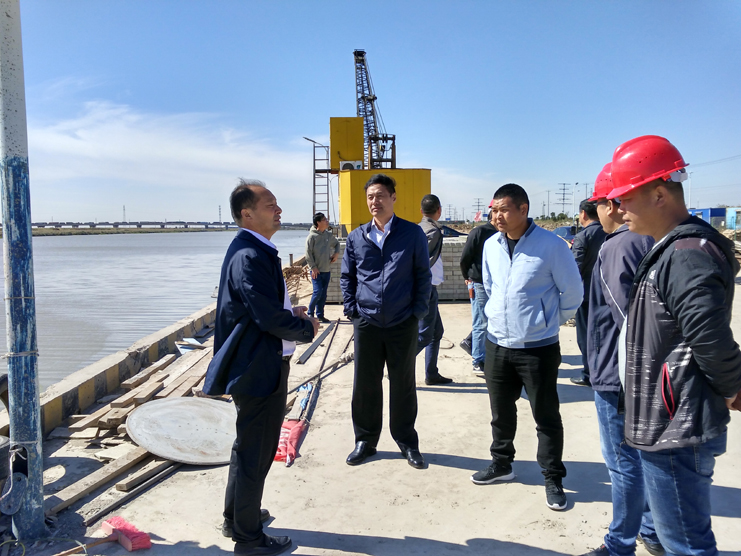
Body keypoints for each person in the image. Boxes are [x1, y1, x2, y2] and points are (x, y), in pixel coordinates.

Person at [607, 135, 741, 556]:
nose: (618, 208)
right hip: (668, 420)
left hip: (677, 426)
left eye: (626, 197)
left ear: (660, 194)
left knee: (685, 542)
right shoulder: (673, 247)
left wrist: (732, 387)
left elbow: (709, 336)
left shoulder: (685, 253)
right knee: (678, 538)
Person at [203, 179, 319, 556]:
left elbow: (263, 309)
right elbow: (266, 317)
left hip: (256, 362)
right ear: (247, 214)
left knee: (248, 447)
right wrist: (306, 327)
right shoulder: (250, 255)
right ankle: (249, 539)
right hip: (258, 368)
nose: (279, 210)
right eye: (270, 204)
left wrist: (290, 311)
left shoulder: (254, 249)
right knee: (256, 451)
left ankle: (237, 517)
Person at [471, 183, 582, 512]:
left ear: (523, 209)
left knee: (546, 416)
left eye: (504, 209)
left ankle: (552, 476)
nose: (497, 216)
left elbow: (573, 293)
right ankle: (501, 464)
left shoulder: (552, 246)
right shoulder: (490, 245)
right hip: (497, 343)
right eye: (494, 210)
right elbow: (489, 286)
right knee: (500, 412)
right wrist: (496, 318)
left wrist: (547, 321)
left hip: (538, 348)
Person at [579, 164, 662, 556]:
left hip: (618, 375)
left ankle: (619, 543)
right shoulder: (655, 238)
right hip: (651, 375)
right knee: (647, 459)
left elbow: (630, 320)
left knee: (623, 463)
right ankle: (651, 529)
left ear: (610, 205)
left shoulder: (617, 247)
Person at [341, 173, 431, 469]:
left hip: (402, 321)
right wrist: (352, 310)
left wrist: (417, 312)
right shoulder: (357, 237)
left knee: (403, 383)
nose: (374, 201)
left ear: (393, 197)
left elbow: (423, 275)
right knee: (365, 384)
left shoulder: (412, 233)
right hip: (366, 321)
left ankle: (406, 441)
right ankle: (365, 441)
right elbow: (348, 276)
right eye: (370, 197)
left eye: (380, 195)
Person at [417, 194, 453, 385]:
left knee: (436, 332)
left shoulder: (418, 228)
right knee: (424, 335)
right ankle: (396, 366)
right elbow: (422, 260)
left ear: (421, 211)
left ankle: (431, 374)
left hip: (428, 287)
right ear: (439, 210)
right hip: (426, 287)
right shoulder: (433, 231)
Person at [570, 199, 607, 387]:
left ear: (583, 214)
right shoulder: (610, 232)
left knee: (585, 336)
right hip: (607, 293)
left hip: (586, 294)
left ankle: (589, 373)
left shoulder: (583, 236)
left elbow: (574, 268)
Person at [459, 203, 498, 377]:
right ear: (491, 215)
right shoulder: (479, 232)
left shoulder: (504, 233)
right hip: (479, 283)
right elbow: (465, 258)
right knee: (481, 322)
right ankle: (478, 360)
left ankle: (479, 350)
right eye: (496, 212)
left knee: (492, 320)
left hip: (496, 284)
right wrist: (468, 277)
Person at [305, 212, 340, 323]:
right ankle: (310, 313)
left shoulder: (328, 235)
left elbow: (337, 244)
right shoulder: (312, 237)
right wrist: (313, 267)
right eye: (324, 220)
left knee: (323, 294)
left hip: (326, 270)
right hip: (316, 271)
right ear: (318, 222)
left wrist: (336, 253)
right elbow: (308, 254)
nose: (327, 221)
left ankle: (320, 315)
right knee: (318, 291)